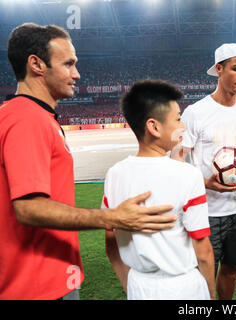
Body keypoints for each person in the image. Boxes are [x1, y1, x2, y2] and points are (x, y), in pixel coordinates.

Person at [0, 23, 176, 300]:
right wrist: (113, 217)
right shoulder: (27, 119)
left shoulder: (32, 116)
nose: (76, 74)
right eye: (68, 64)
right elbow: (28, 208)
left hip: (48, 277)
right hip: (36, 285)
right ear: (36, 64)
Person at [103, 80, 216, 300]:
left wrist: (130, 285)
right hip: (183, 287)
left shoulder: (114, 174)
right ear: (154, 127)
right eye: (178, 119)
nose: (183, 126)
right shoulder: (187, 175)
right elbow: (203, 251)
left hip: (138, 285)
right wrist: (211, 295)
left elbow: (111, 243)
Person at [178, 43, 236, 300]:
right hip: (204, 212)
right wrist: (204, 182)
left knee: (231, 270)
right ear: (219, 69)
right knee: (202, 274)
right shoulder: (195, 113)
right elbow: (177, 160)